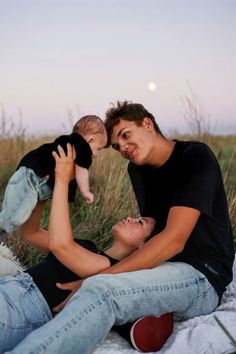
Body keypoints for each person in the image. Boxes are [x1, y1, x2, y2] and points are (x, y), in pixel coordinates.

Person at [7, 101, 234, 354]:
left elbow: (172, 240)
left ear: (147, 124)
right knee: (107, 287)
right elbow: (150, 236)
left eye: (126, 135)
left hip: (201, 273)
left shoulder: (193, 155)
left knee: (101, 289)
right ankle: (144, 315)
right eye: (116, 146)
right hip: (159, 269)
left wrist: (95, 279)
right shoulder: (137, 170)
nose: (123, 148)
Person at [0, 143, 155, 352]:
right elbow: (30, 233)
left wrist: (63, 180)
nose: (130, 217)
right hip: (10, 287)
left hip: (22, 308)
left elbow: (61, 245)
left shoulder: (108, 269)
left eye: (140, 222)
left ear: (143, 245)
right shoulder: (87, 247)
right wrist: (44, 186)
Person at [0, 115, 107, 245]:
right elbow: (82, 170)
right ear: (90, 139)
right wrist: (86, 191)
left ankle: (3, 233)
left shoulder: (70, 142)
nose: (96, 154)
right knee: (15, 214)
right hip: (32, 176)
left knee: (18, 212)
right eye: (99, 148)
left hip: (30, 175)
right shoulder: (82, 146)